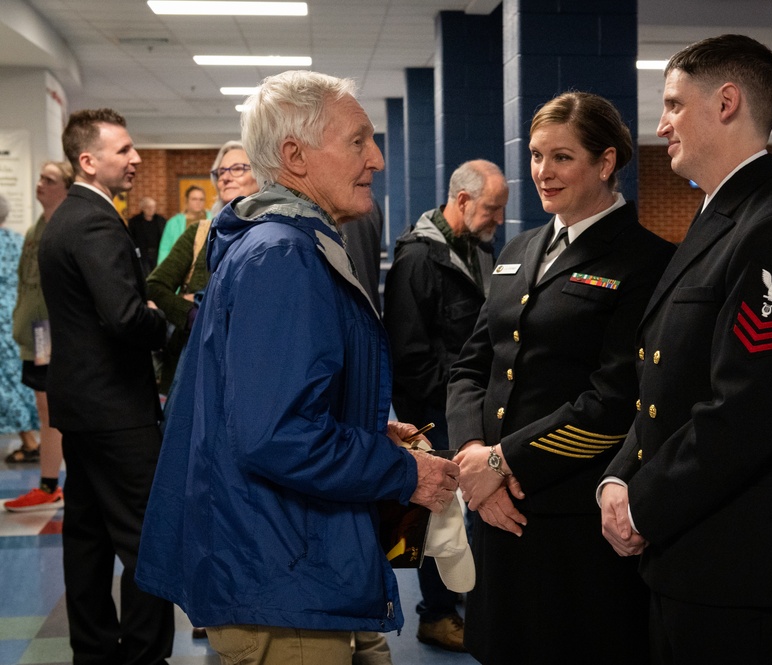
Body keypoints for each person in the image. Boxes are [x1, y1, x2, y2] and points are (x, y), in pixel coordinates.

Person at [134, 70, 460, 665]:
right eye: (358, 141)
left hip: (296, 563)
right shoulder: (281, 256)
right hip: (280, 576)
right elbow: (275, 435)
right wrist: (399, 472)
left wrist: (362, 428)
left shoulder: (281, 244)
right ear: (294, 156)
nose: (378, 159)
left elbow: (266, 405)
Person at [600, 35, 772, 665]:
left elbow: (744, 411)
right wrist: (620, 475)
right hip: (688, 554)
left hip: (738, 569)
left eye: (675, 104)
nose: (661, 125)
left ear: (726, 102)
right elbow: (665, 384)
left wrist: (641, 505)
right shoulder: (718, 216)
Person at [447, 92, 675, 664]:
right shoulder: (519, 249)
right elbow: (473, 363)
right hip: (500, 509)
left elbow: (614, 399)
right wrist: (475, 456)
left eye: (563, 157)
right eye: (536, 155)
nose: (543, 173)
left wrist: (501, 462)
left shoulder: (646, 260)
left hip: (574, 520)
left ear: (605, 163)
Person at [37, 108, 174, 664]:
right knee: (146, 538)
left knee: (88, 537)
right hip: (118, 411)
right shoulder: (95, 221)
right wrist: (164, 327)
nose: (136, 158)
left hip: (81, 406)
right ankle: (144, 654)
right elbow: (122, 317)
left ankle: (92, 650)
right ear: (88, 161)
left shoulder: (64, 218)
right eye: (124, 150)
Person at [383, 159, 507, 652]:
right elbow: (410, 354)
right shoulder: (418, 260)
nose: (498, 219)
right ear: (461, 201)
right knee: (440, 514)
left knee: (464, 516)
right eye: (492, 209)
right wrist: (455, 409)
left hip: (468, 407)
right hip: (434, 412)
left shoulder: (478, 249)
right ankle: (436, 615)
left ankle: (467, 606)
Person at [146, 141, 259, 394]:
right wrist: (192, 314)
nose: (226, 177)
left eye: (238, 168)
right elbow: (154, 285)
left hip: (249, 366)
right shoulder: (200, 234)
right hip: (193, 363)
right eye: (221, 172)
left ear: (261, 174)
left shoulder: (275, 236)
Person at [4, 161, 73, 512]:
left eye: (49, 179)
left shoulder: (65, 228)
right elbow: (23, 283)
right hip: (34, 339)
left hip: (55, 340)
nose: (40, 184)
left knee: (54, 413)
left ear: (66, 186)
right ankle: (48, 483)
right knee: (44, 412)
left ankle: (54, 484)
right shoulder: (35, 229)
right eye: (40, 177)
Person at [0, 194, 41, 460]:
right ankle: (31, 439)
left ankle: (30, 441)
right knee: (18, 377)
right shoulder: (18, 240)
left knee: (6, 381)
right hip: (17, 316)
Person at [156, 184, 207, 264]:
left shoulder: (212, 218)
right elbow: (165, 249)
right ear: (187, 201)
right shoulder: (174, 223)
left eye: (201, 199)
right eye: (194, 199)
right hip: (181, 266)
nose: (198, 202)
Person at [128, 197, 167, 277]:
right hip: (143, 254)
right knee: (145, 275)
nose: (151, 209)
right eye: (148, 207)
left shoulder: (161, 220)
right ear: (142, 208)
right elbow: (131, 239)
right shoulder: (134, 221)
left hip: (157, 252)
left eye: (153, 207)